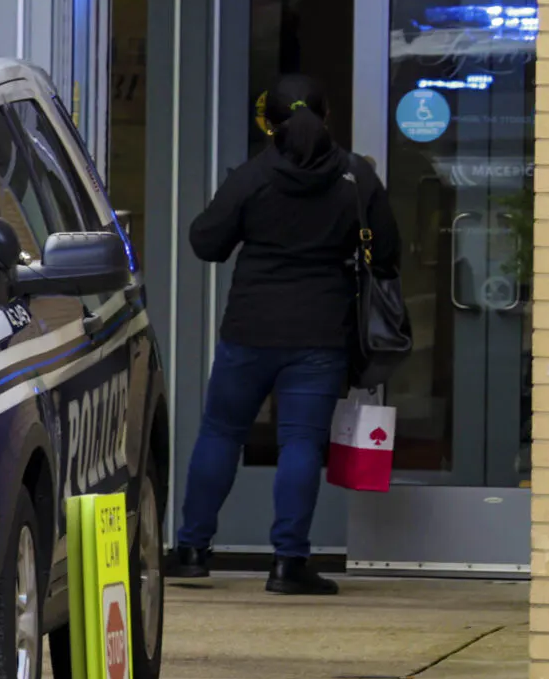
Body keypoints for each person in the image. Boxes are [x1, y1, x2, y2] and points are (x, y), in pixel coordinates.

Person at [169, 74, 399, 596]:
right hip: (321, 333)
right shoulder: (356, 176)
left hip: (249, 329)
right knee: (301, 442)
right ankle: (288, 564)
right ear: (326, 115)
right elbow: (387, 254)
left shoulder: (254, 176)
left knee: (221, 433)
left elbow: (206, 242)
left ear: (269, 123)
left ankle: (191, 552)